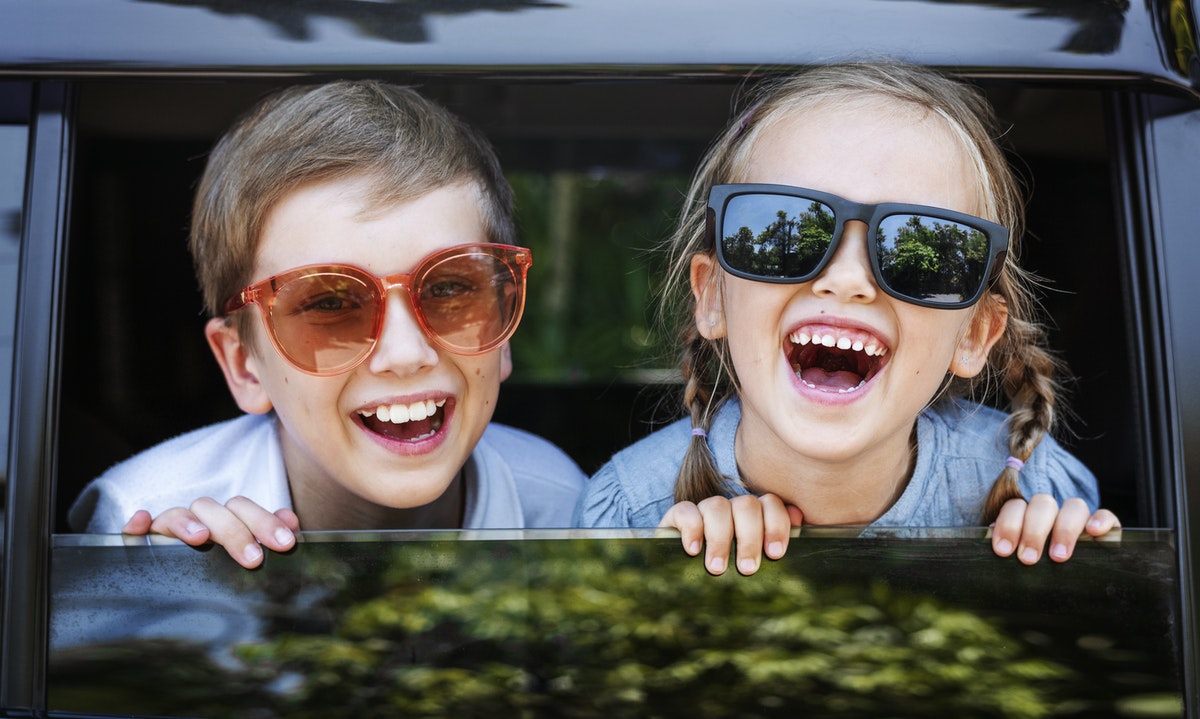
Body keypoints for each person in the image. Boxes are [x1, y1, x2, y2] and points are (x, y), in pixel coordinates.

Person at [573, 62, 1120, 575]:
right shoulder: (630, 509)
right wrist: (668, 586)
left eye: (920, 248)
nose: (849, 279)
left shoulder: (1035, 485)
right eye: (782, 229)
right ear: (713, 295)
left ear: (974, 334)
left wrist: (1066, 578)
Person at [69, 80, 586, 567]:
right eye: (330, 306)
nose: (406, 354)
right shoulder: (142, 525)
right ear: (244, 366)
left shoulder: (565, 510)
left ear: (503, 332)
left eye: (450, 289)